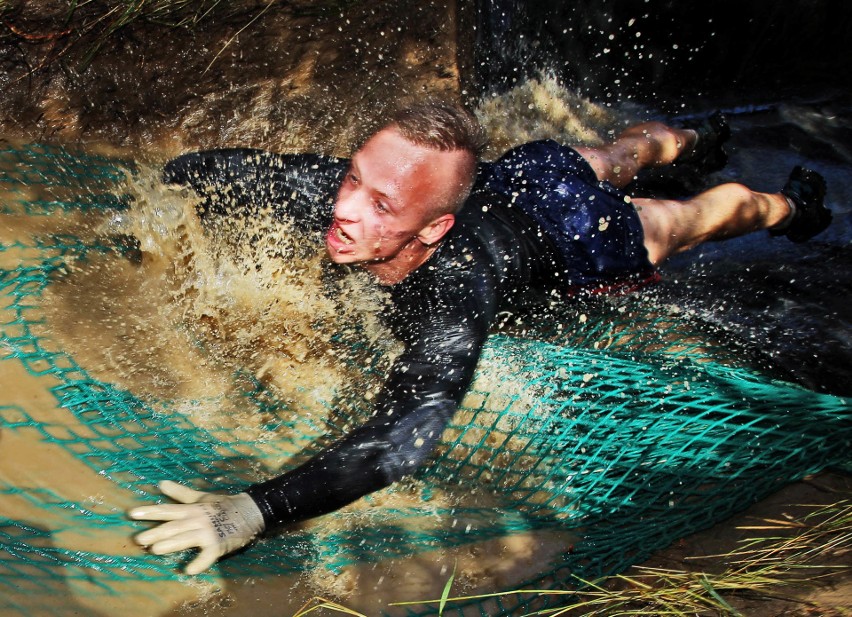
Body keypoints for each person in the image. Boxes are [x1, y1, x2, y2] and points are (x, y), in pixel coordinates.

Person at [127, 101, 831, 575]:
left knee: (682, 219)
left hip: (576, 234)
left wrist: (251, 509)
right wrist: (149, 228)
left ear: (433, 228)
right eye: (352, 178)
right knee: (616, 153)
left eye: (379, 203)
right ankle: (698, 136)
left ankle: (793, 203)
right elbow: (203, 171)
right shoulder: (339, 199)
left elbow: (402, 442)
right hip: (520, 173)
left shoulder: (452, 290)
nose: (342, 208)